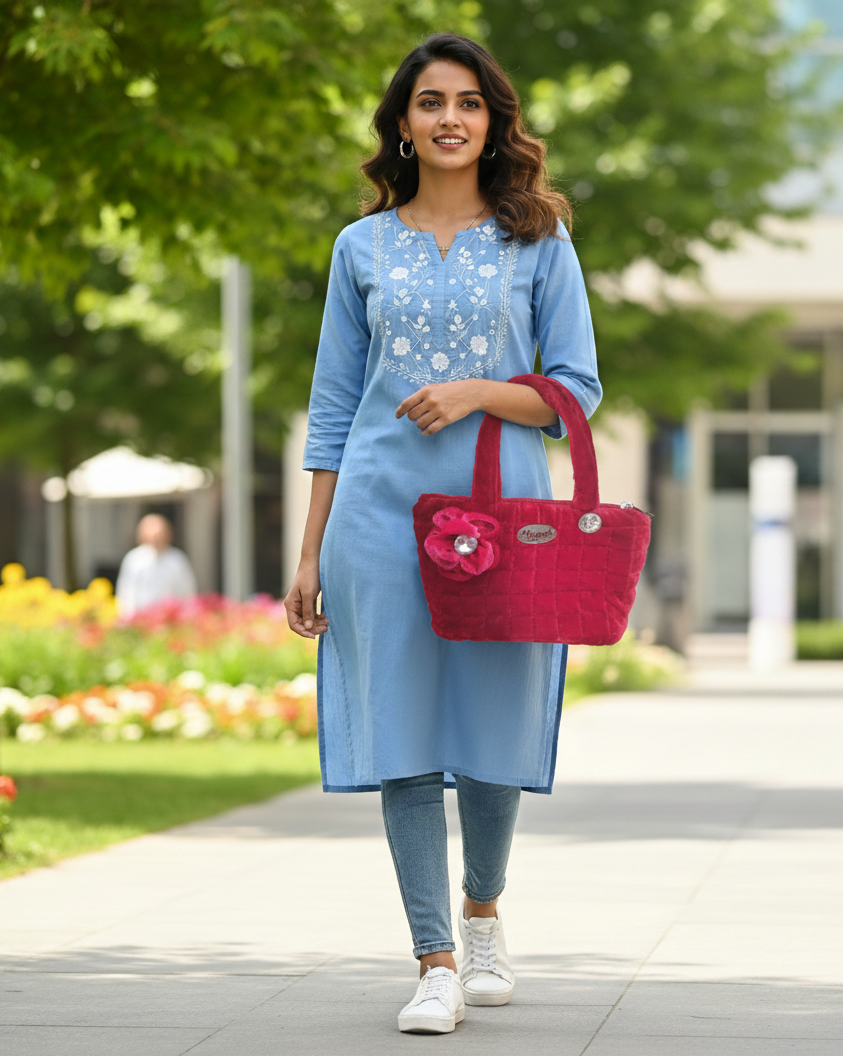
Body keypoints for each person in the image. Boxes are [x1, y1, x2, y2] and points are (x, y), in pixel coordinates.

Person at [283, 33, 600, 1035]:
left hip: (502, 515)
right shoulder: (358, 248)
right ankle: (431, 960)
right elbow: (332, 407)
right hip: (377, 517)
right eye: (429, 101)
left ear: (493, 121)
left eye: (468, 102)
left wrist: (474, 393)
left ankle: (482, 913)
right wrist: (306, 552)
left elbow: (575, 391)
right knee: (404, 737)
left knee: (493, 733)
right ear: (403, 124)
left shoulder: (538, 240)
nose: (449, 118)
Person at [116, 513, 197, 618]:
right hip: (142, 618)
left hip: (171, 619)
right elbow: (126, 591)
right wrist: (128, 617)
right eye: (153, 536)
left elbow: (188, 591)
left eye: (159, 535)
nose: (156, 539)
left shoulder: (177, 559)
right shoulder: (134, 559)